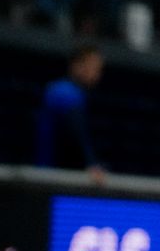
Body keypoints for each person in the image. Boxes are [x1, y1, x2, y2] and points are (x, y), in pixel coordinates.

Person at [35, 41, 107, 179]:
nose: (97, 73)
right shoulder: (63, 91)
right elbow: (75, 132)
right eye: (93, 67)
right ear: (77, 66)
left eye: (99, 69)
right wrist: (91, 164)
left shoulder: (71, 93)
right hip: (47, 175)